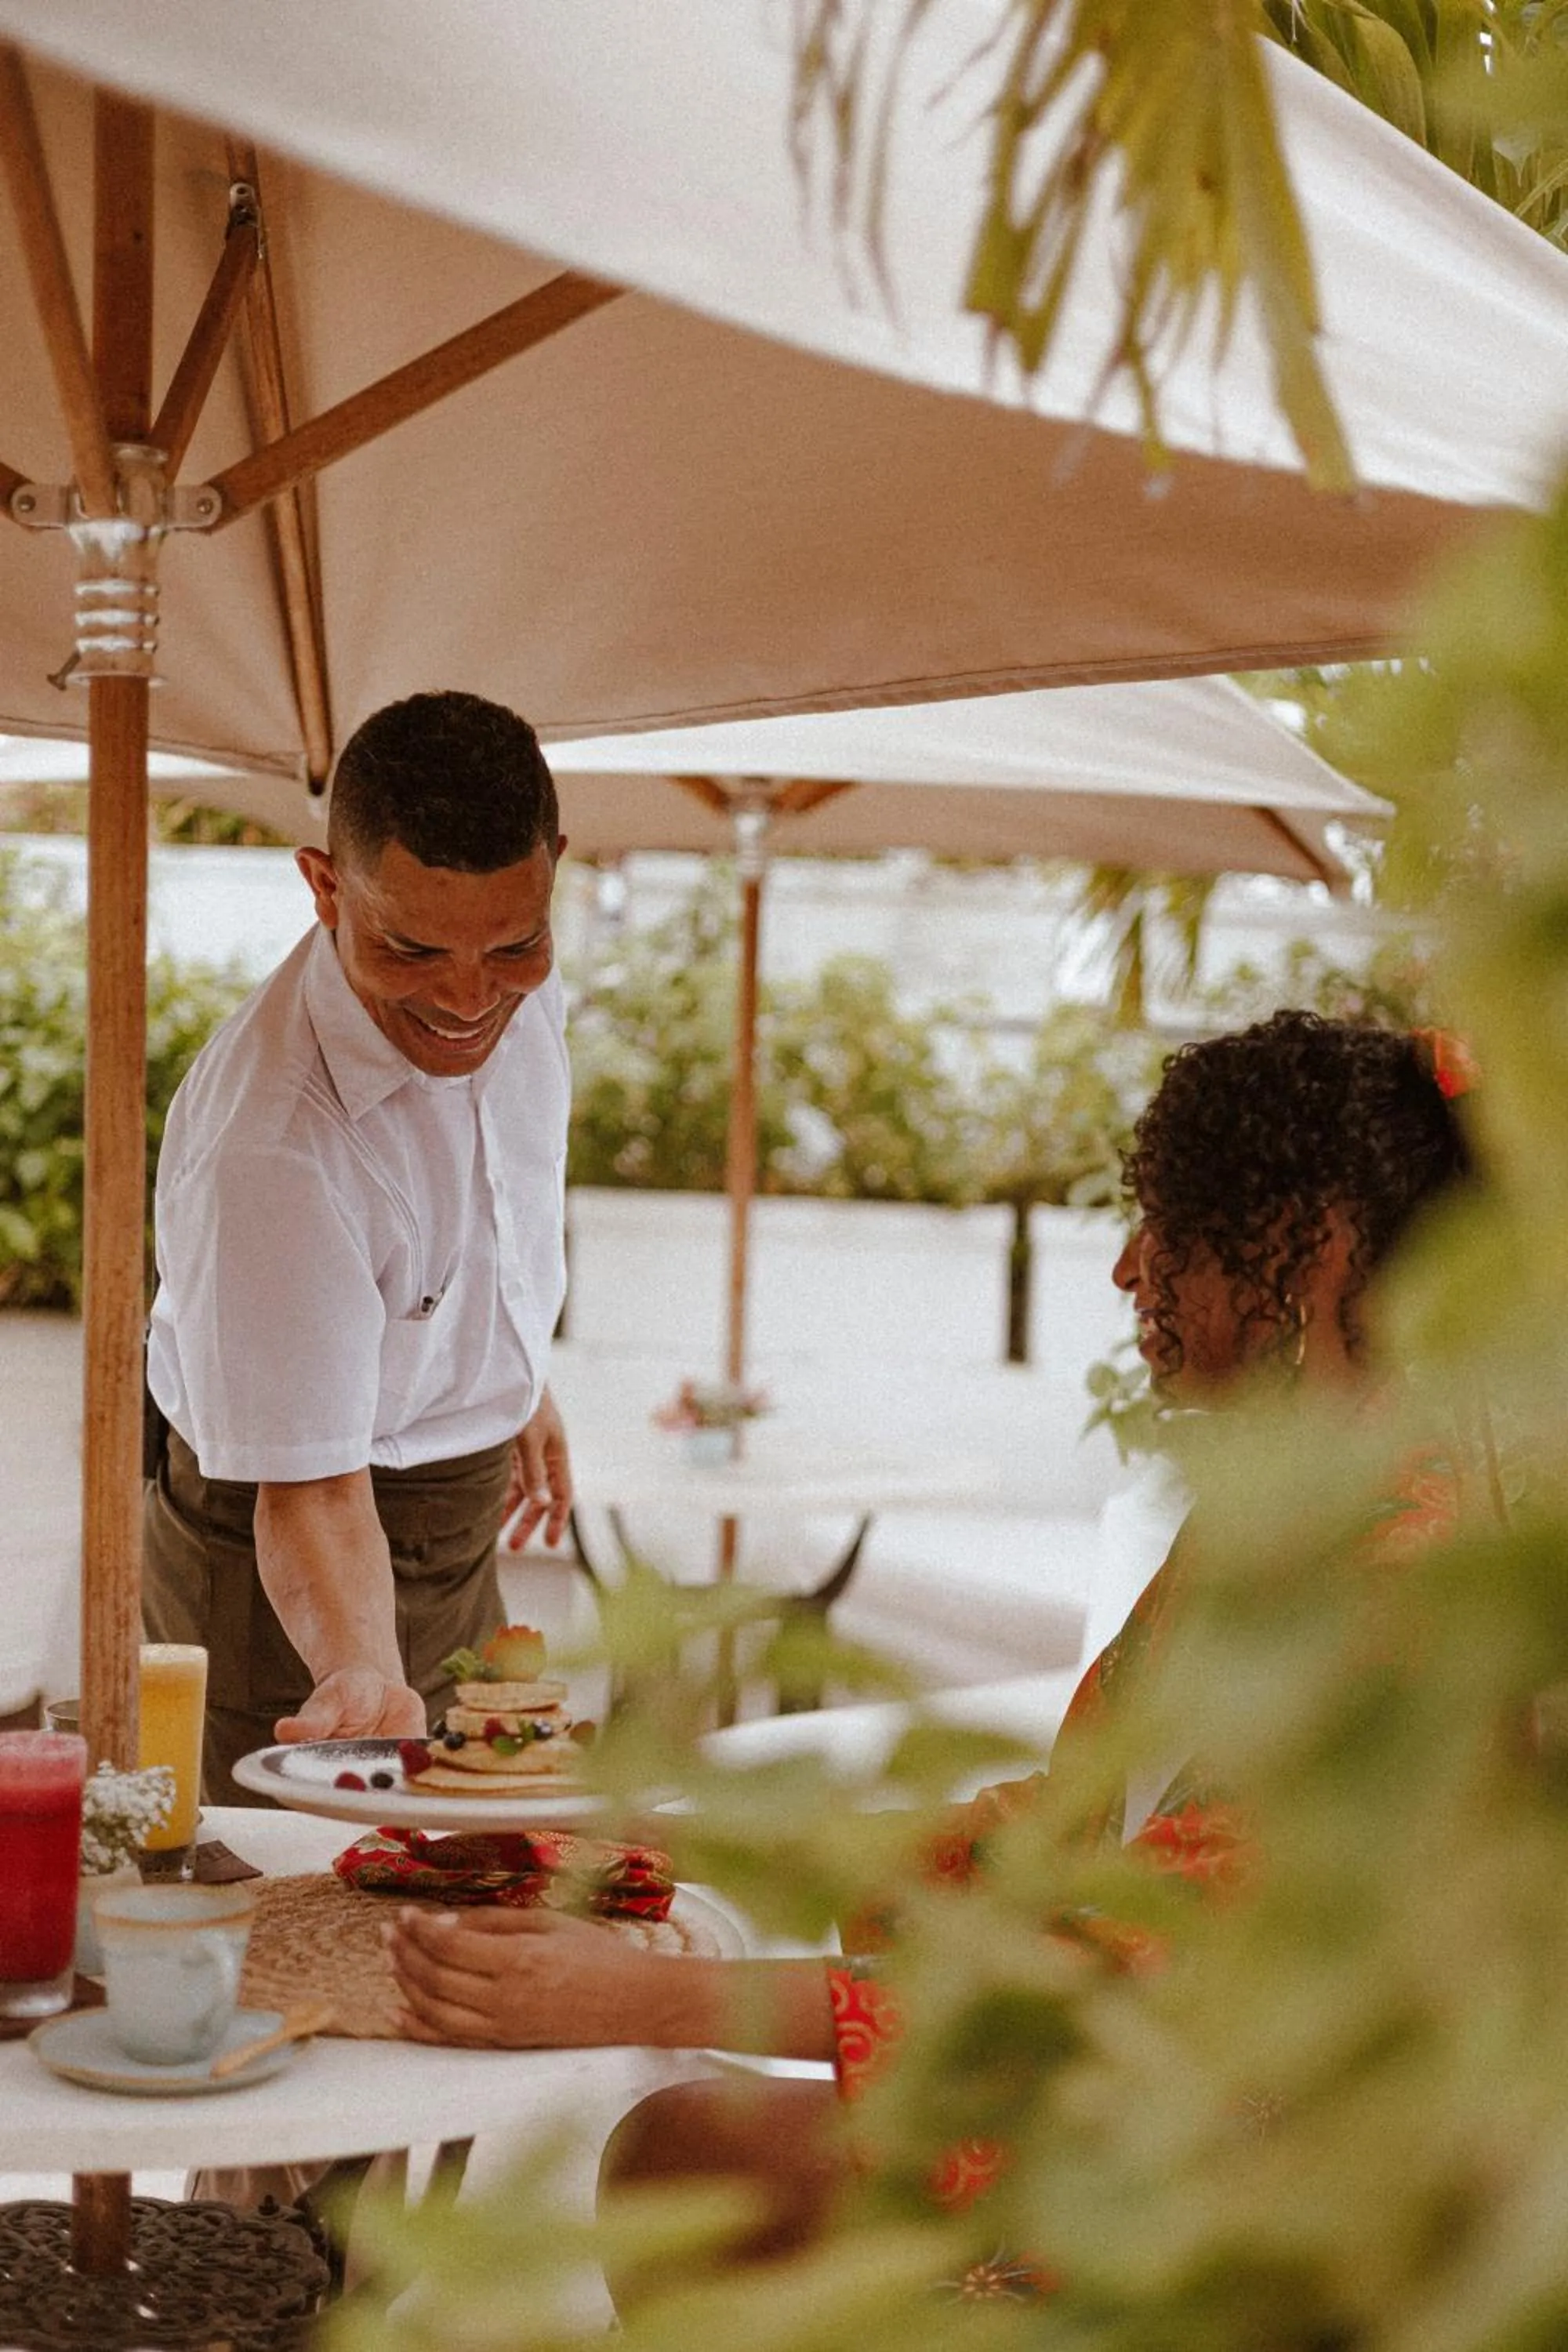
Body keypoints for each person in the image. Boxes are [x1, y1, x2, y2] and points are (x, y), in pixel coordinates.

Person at [384, 1010, 1475, 2278]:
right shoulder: (1301, 1506)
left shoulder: (1405, 1578)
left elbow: (1119, 1975)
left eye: (1171, 1231)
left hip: (1253, 2187)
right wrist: (688, 1837)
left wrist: (650, 1994)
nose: (1129, 1272)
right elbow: (1063, 1837)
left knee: (688, 2160)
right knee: (678, 2149)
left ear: (1316, 1252)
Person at [142, 691, 575, 1802]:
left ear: (551, 873)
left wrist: (510, 1369)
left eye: (515, 945)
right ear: (324, 887)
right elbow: (312, 1492)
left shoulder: (500, 959)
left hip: (459, 1528)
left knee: (462, 1894)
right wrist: (361, 1671)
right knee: (294, 1922)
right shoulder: (271, 1149)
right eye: (413, 947)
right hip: (283, 1566)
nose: (470, 998)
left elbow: (484, 1207)